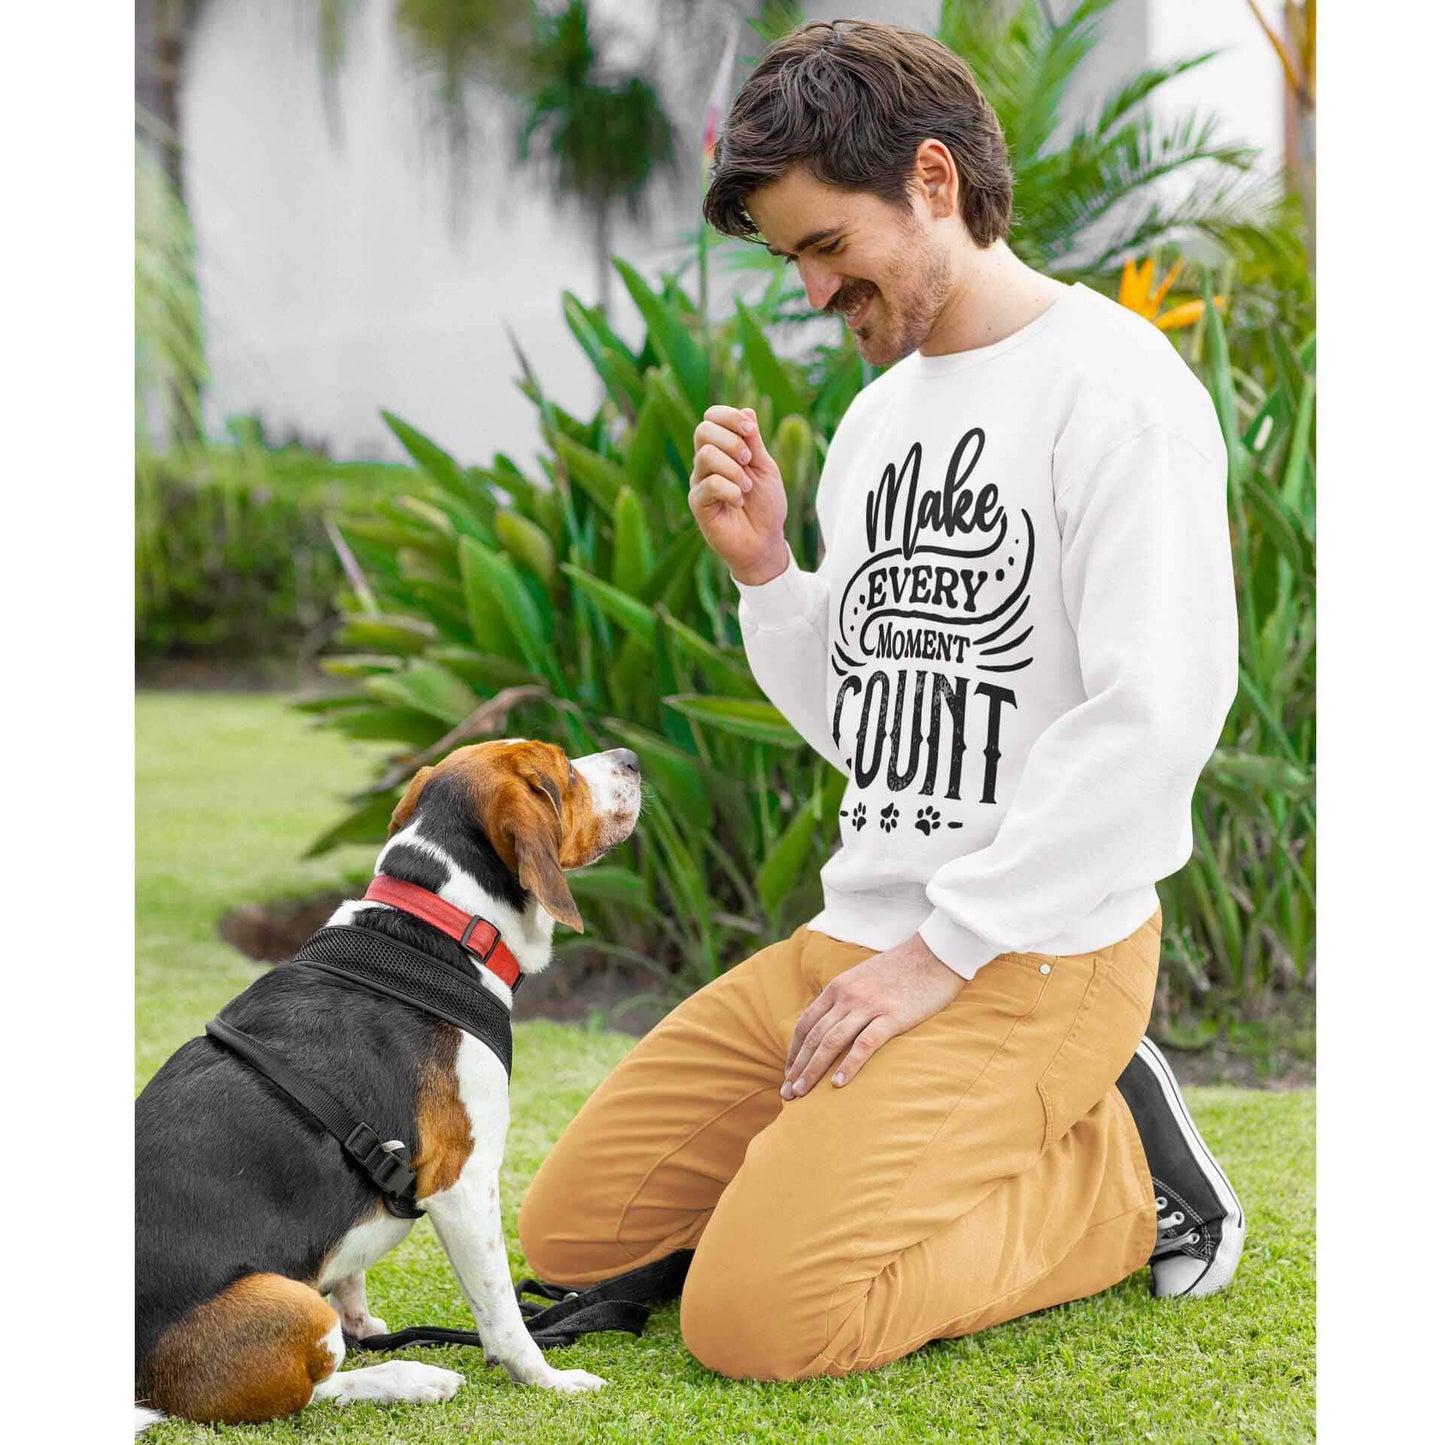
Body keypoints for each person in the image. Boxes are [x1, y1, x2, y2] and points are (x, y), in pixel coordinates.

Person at [517, 18, 1244, 1381]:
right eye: (791, 258)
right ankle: (860, 1168)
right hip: (859, 935)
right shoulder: (875, 419)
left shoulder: (1117, 389)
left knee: (758, 1320)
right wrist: (769, 576)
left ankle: (1128, 1179)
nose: (808, 292)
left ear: (929, 180)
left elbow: (1157, 719)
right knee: (580, 1235)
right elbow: (874, 723)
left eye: (823, 246)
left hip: (1036, 956)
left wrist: (947, 946)